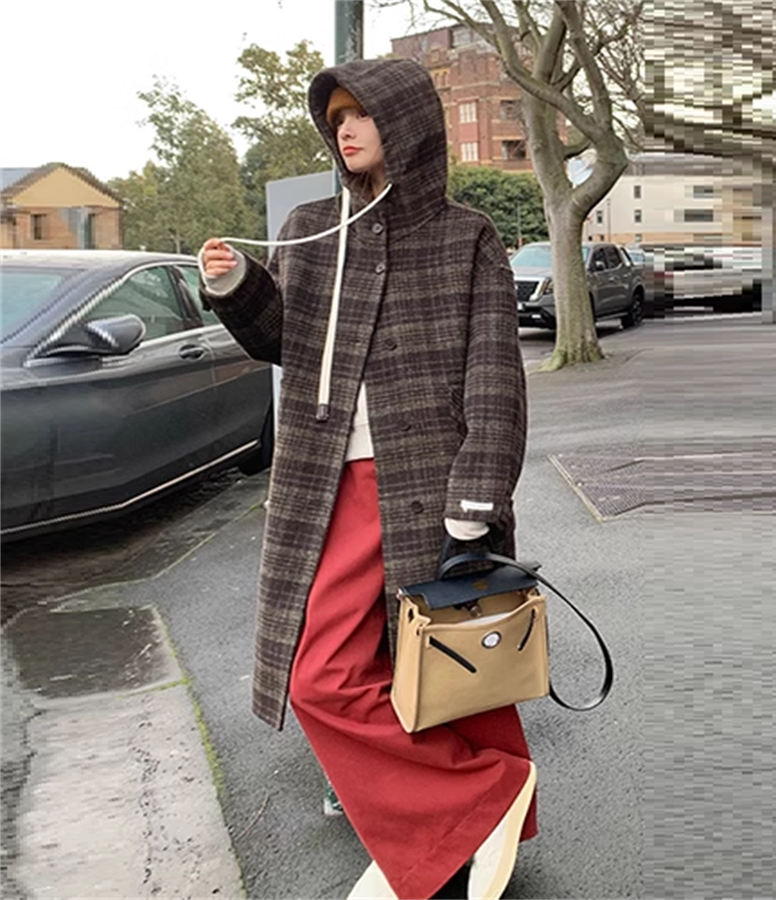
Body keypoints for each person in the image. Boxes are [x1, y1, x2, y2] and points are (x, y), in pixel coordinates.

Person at [199, 58, 534, 900]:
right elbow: (286, 343)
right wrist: (237, 288)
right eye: (336, 117)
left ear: (407, 121)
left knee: (452, 666)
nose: (345, 129)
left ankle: (448, 838)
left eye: (363, 114)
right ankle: (475, 802)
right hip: (326, 483)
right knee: (322, 676)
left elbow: (494, 375)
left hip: (432, 484)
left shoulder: (465, 235)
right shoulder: (314, 227)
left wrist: (478, 495)